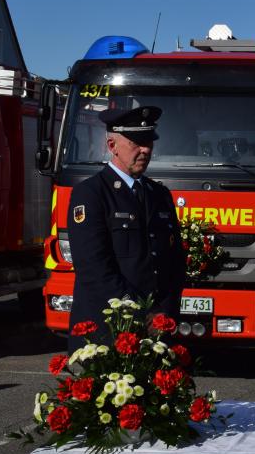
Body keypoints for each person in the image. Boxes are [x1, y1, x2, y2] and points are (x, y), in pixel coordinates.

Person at [67, 106, 185, 352]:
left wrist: (165, 313)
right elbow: (94, 267)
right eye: (137, 143)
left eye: (149, 142)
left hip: (157, 332)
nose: (145, 150)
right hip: (110, 331)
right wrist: (142, 312)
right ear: (112, 145)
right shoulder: (91, 193)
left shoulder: (159, 195)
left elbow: (173, 262)